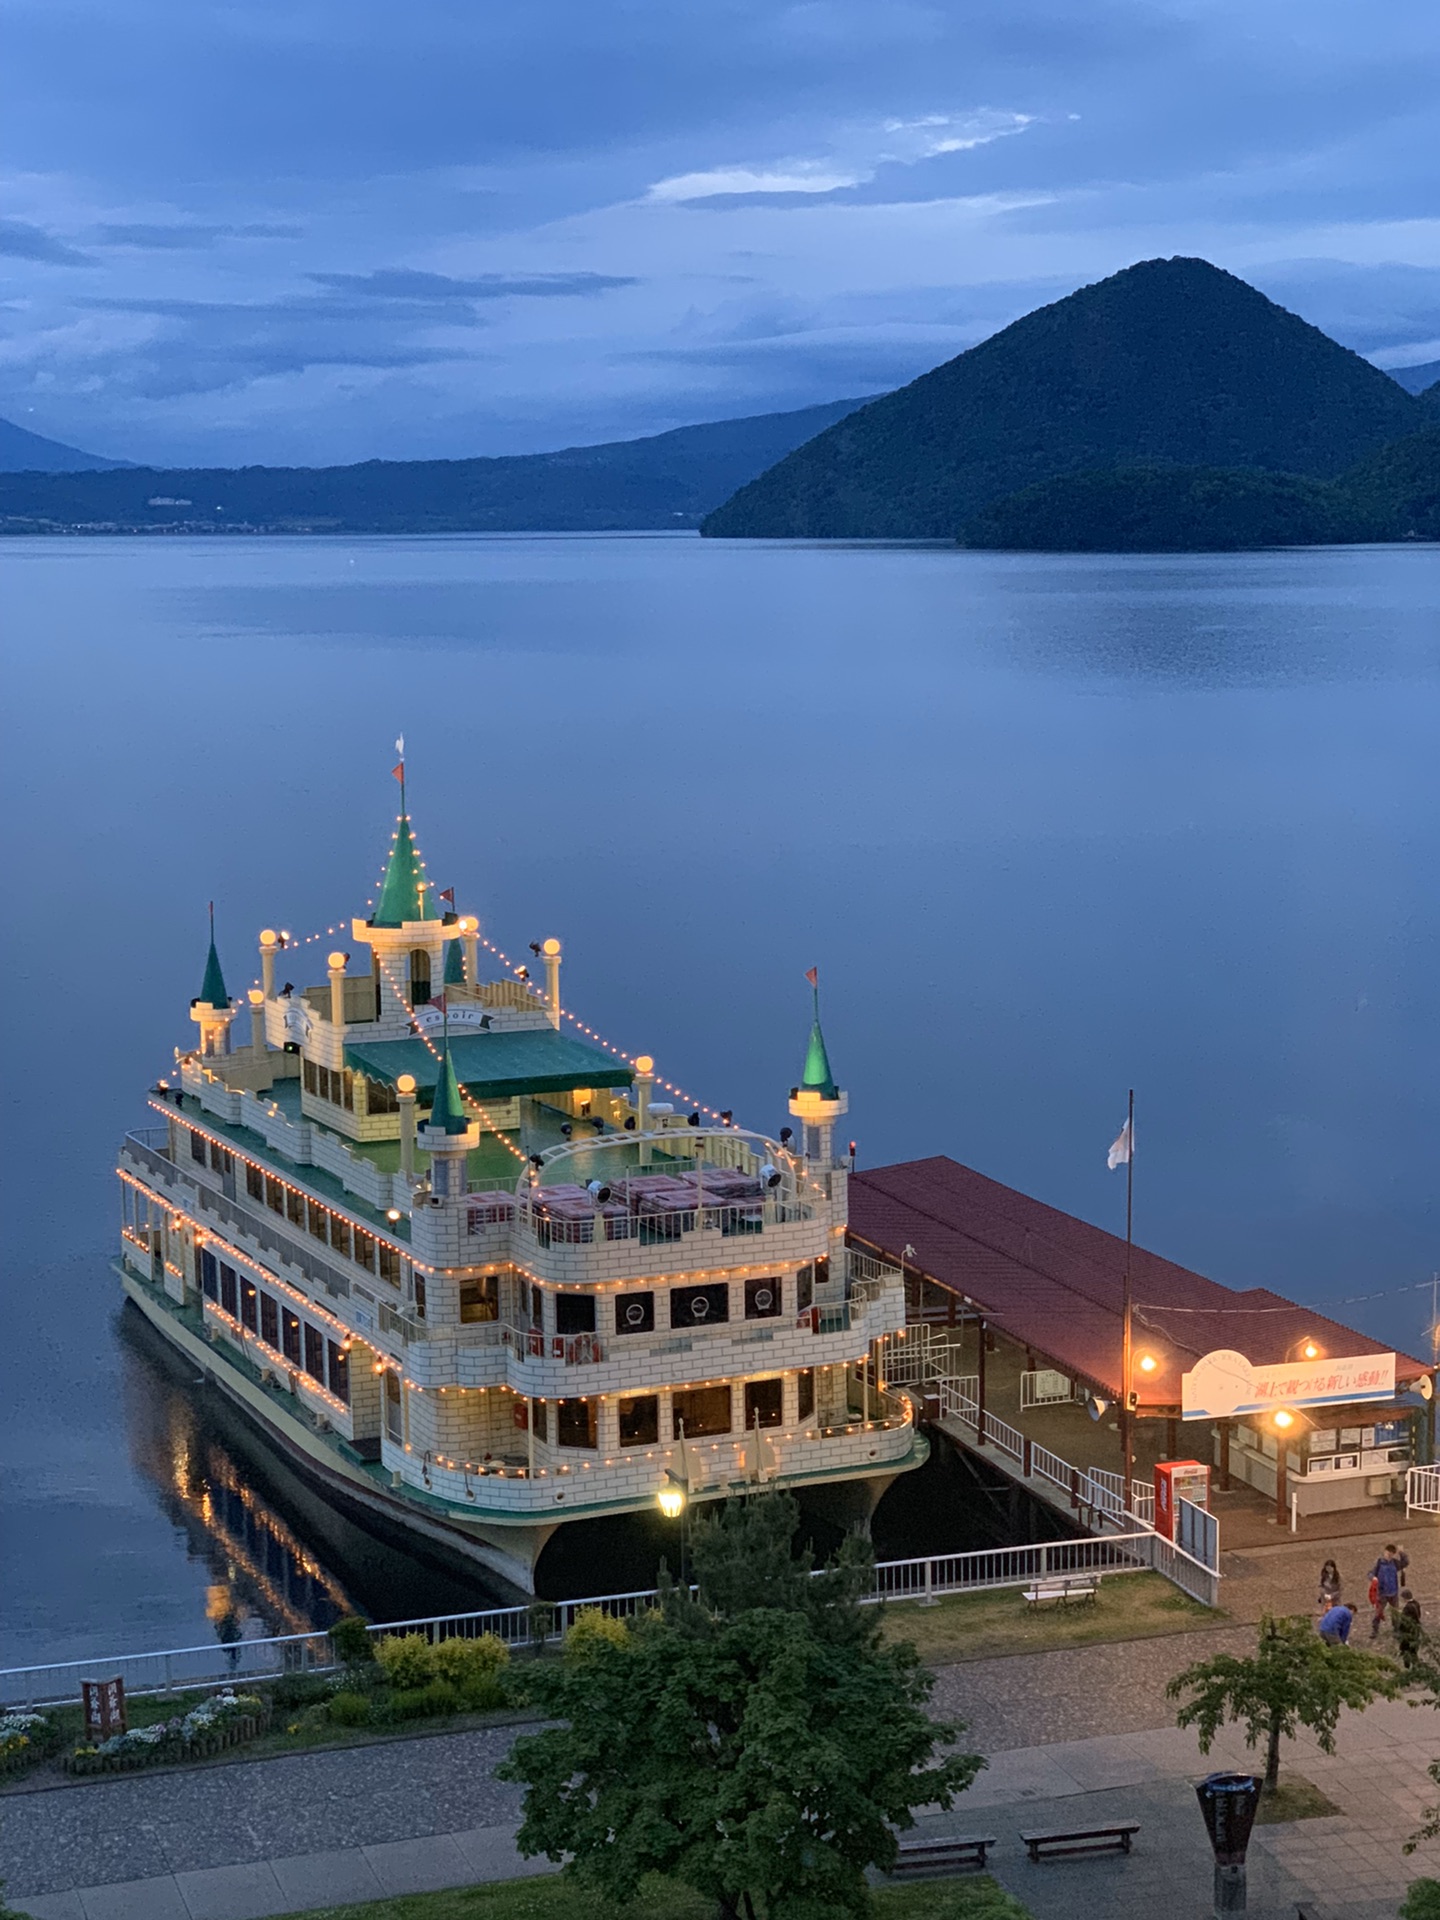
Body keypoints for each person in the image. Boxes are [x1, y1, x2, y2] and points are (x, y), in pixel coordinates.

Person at [1371, 1546, 1403, 1639]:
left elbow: (1405, 1563)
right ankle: (1375, 1630)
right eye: (1388, 1553)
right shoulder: (1379, 1563)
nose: (1389, 1556)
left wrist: (1402, 1553)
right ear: (1384, 1552)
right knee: (1378, 1612)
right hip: (1382, 1593)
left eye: (1391, 1554)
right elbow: (1371, 1573)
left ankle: (1396, 1630)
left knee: (1395, 1613)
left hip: (1393, 1592)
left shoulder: (1395, 1563)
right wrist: (1373, 1578)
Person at [1398, 1589, 1424, 1670]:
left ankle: (1407, 1666)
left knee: (1405, 1649)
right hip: (1416, 1630)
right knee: (1413, 1650)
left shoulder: (1407, 1608)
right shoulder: (1416, 1604)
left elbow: (1404, 1621)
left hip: (1408, 1632)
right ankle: (1415, 1665)